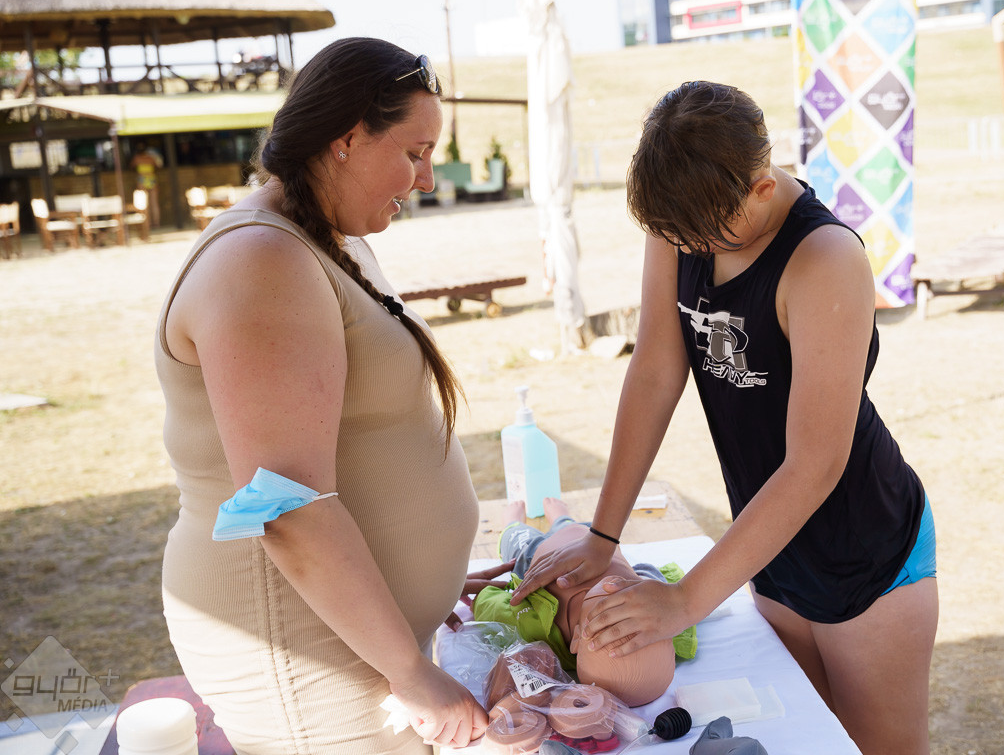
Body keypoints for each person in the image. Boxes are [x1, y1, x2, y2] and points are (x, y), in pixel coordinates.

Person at [511, 81, 938, 754]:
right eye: (678, 239)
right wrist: (601, 534)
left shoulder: (824, 259)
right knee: (803, 743)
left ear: (762, 188)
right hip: (770, 545)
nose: (693, 250)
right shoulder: (684, 219)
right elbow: (656, 370)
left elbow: (816, 464)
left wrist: (685, 603)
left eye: (706, 238)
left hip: (865, 553)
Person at [155, 37, 508, 754]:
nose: (427, 180)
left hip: (354, 633)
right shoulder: (262, 261)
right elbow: (287, 508)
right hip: (303, 653)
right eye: (415, 153)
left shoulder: (324, 238)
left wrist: (431, 576)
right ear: (346, 139)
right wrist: (408, 670)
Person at [472, 498, 690, 708]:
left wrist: (483, 597)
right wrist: (648, 582)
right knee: (568, 523)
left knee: (515, 537)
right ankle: (561, 517)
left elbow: (493, 608)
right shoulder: (672, 612)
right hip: (597, 536)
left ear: (577, 638)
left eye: (605, 616)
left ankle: (512, 522)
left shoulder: (540, 633)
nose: (617, 599)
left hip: (533, 556)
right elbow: (669, 583)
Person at [129, 141, 163, 227]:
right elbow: (158, 166)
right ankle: (156, 223)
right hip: (151, 178)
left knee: (143, 203)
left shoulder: (136, 158)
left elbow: (131, 166)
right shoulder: (151, 158)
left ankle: (147, 223)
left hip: (142, 179)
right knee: (154, 203)